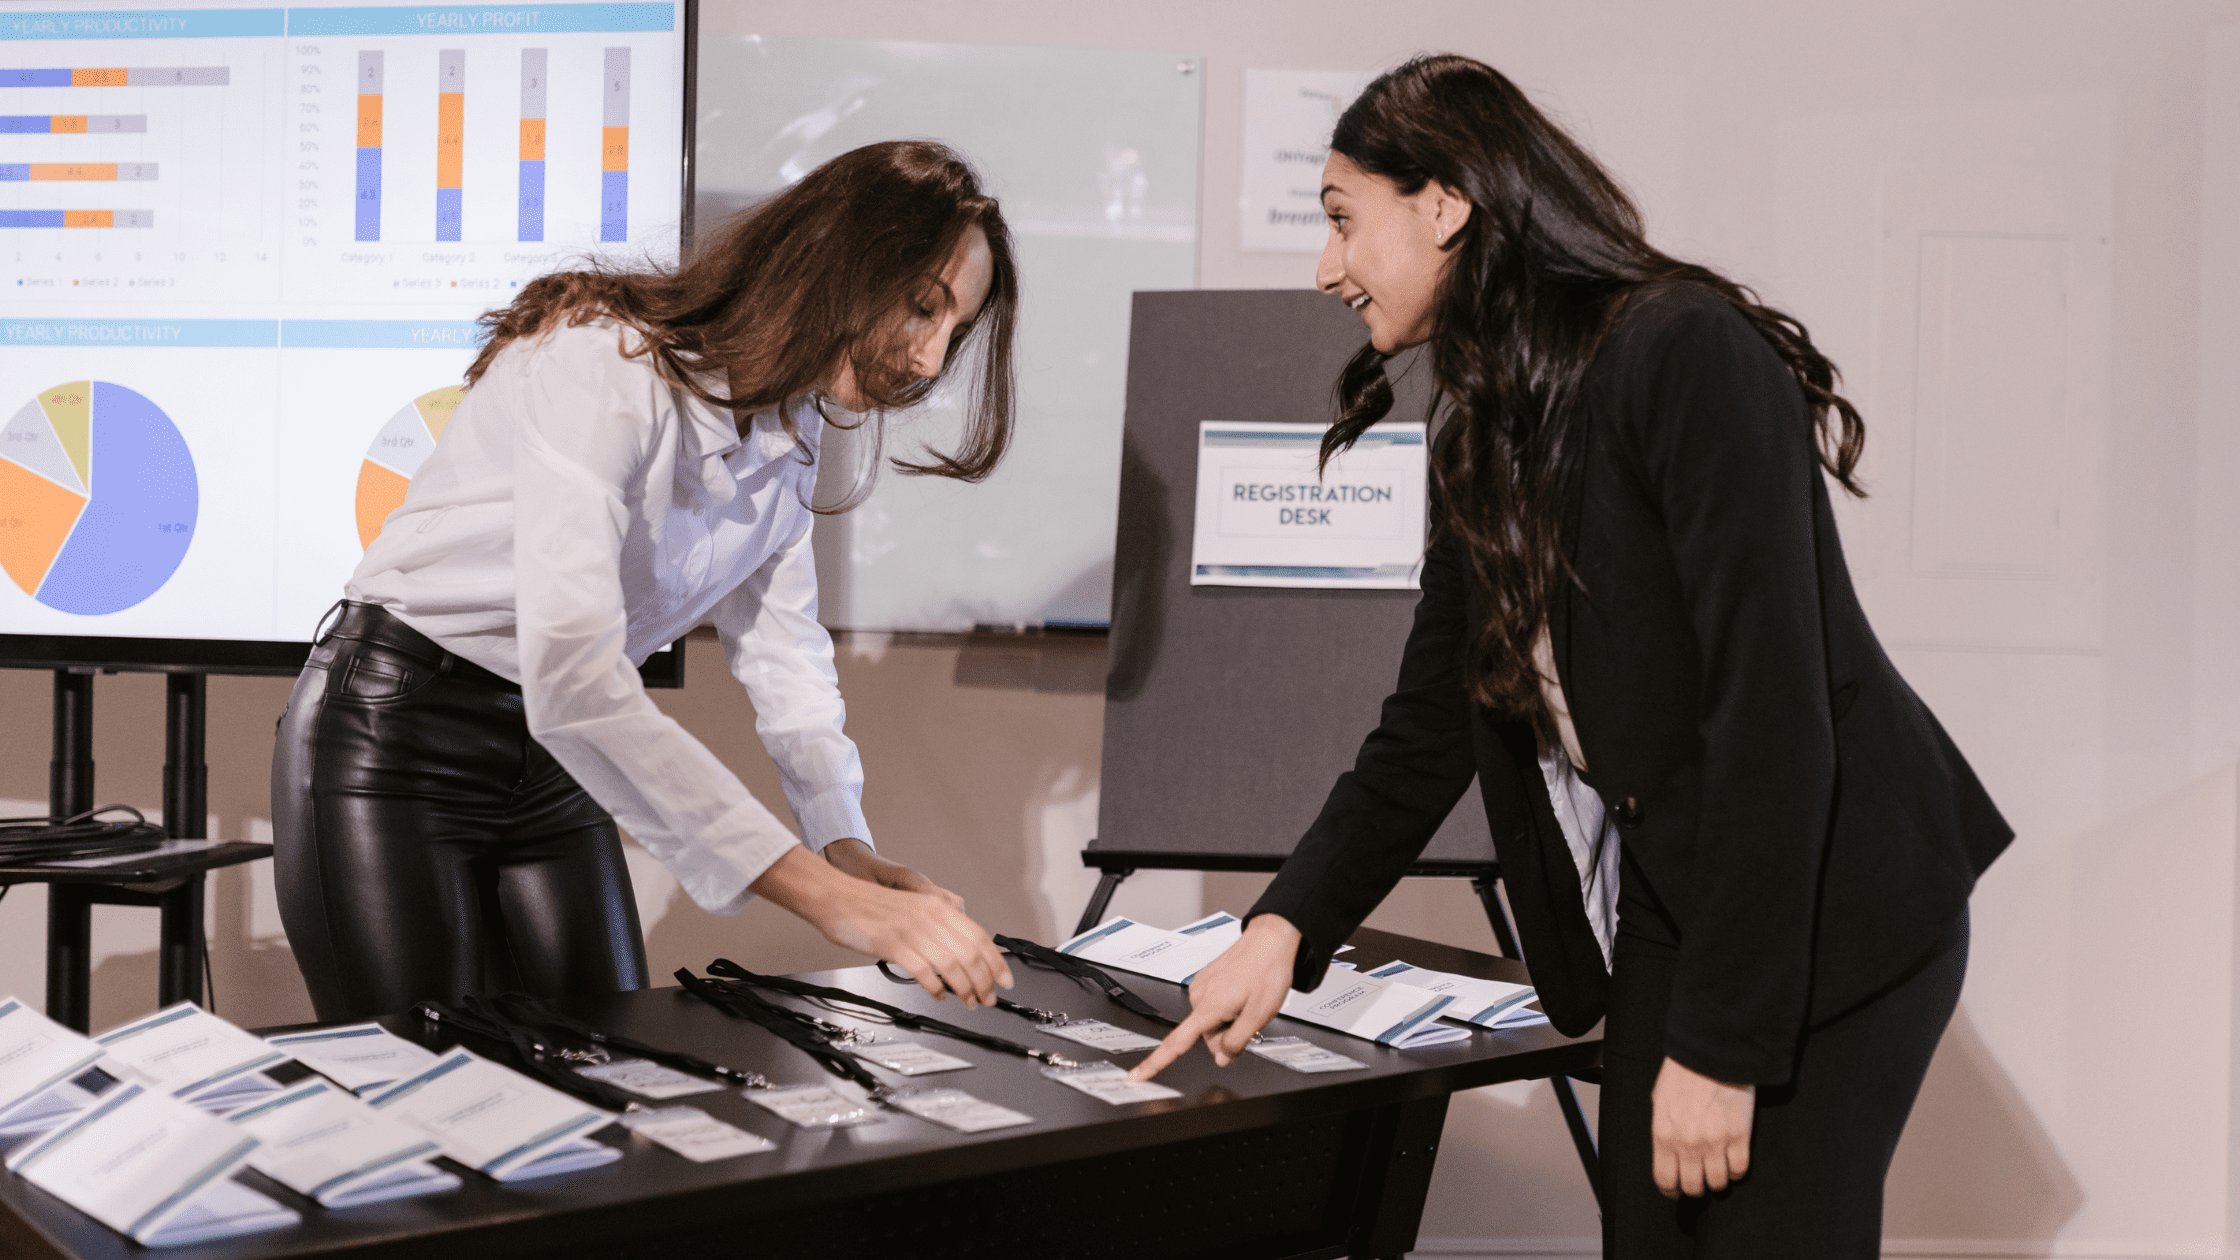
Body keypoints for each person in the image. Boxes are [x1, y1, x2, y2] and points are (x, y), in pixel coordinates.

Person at [1127, 57, 2012, 1257]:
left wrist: (1721, 1047)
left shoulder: (1684, 352)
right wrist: (1284, 928)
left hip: (1829, 900)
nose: (1324, 267)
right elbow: (1429, 725)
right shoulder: (1483, 427)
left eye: (1342, 221)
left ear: (1442, 204)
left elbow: (1770, 716)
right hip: (1672, 893)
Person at [273, 141, 1019, 1025]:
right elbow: (579, 681)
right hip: (395, 733)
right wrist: (830, 901)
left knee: (611, 1068)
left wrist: (845, 846)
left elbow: (784, 656)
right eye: (921, 309)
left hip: (552, 758)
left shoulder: (792, 427)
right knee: (420, 1096)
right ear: (837, 257)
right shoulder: (601, 364)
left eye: (954, 331)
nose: (931, 361)